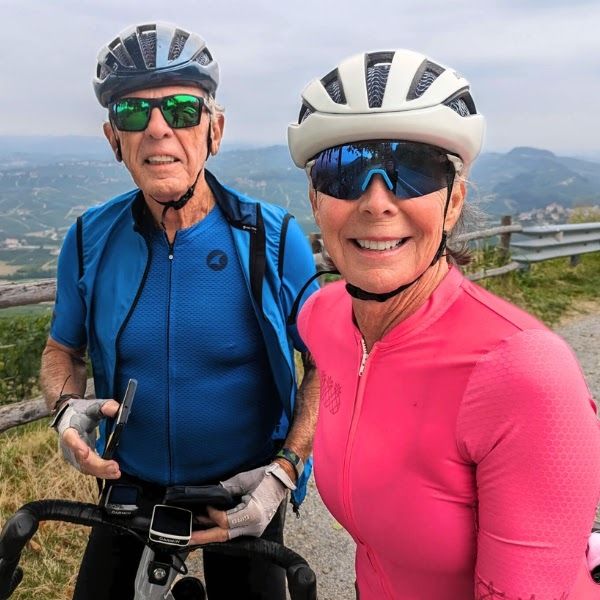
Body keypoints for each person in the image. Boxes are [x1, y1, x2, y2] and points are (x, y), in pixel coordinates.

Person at [287, 49, 600, 599]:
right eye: (344, 171)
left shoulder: (524, 373)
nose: (377, 201)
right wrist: (279, 473)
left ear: (454, 201)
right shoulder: (321, 316)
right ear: (316, 200)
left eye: (414, 171)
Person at [40, 22, 320, 600]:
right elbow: (61, 349)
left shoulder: (271, 237)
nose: (158, 129)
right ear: (112, 137)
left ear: (214, 131)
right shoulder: (90, 238)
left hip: (243, 494)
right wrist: (66, 410)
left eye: (183, 109)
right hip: (127, 488)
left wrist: (283, 474)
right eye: (133, 113)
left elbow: (328, 365)